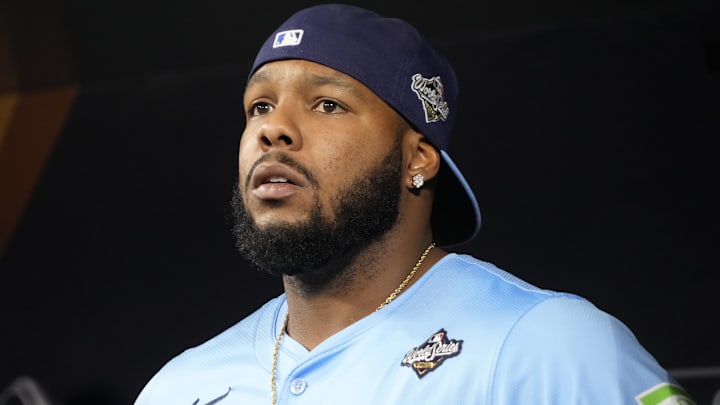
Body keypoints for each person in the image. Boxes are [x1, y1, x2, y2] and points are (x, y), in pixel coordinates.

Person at [134, 3, 696, 404]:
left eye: (327, 104)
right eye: (258, 107)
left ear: (418, 160)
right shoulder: (182, 385)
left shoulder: (547, 345)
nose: (273, 128)